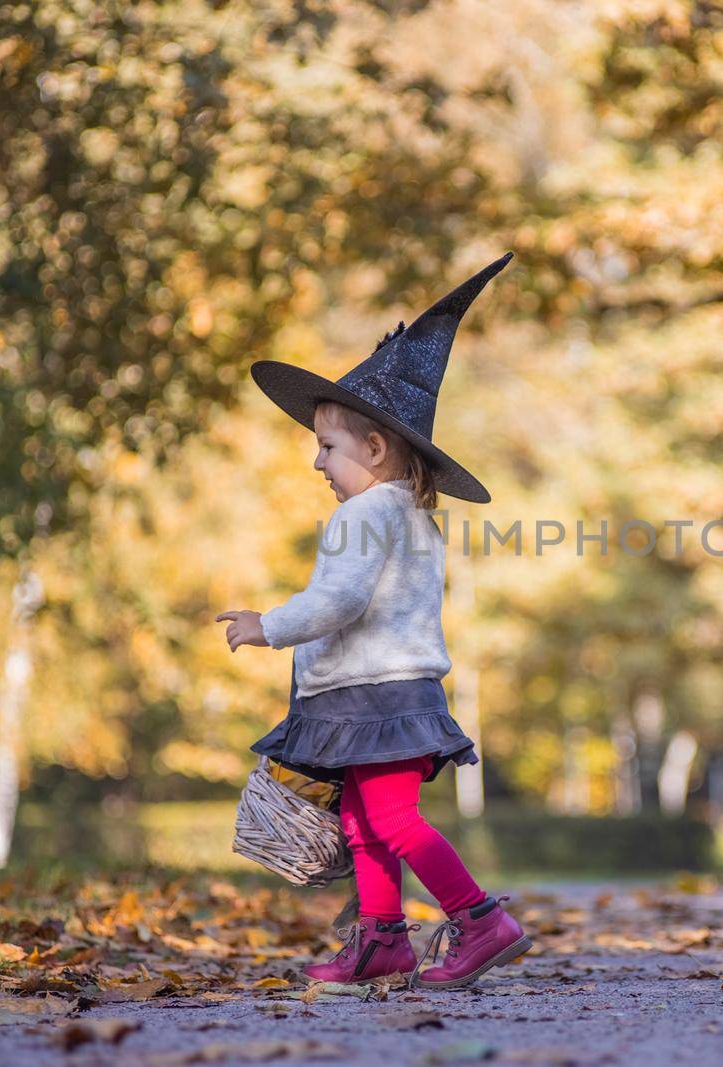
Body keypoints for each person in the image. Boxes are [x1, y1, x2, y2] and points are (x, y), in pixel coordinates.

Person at [215, 253, 530, 990]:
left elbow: (339, 601)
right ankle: (382, 937)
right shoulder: (410, 516)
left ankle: (480, 918)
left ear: (377, 449)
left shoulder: (363, 513)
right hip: (382, 695)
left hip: (378, 699)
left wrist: (271, 624)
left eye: (327, 447)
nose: (317, 463)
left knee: (390, 821)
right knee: (361, 823)